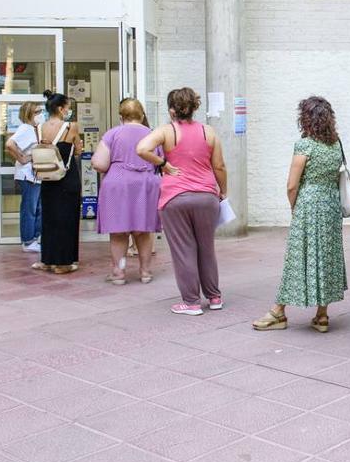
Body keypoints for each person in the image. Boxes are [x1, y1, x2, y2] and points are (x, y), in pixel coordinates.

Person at [251, 97, 347, 332]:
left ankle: (278, 312)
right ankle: (322, 315)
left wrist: (295, 208)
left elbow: (292, 185)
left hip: (309, 205)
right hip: (331, 206)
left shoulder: (304, 145)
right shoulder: (336, 144)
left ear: (305, 119)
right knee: (326, 256)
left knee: (297, 257)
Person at [136, 88, 228, 315]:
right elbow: (219, 166)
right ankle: (214, 297)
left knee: (184, 250)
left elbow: (141, 148)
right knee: (207, 248)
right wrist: (222, 191)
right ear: (194, 108)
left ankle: (191, 302)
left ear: (171, 110)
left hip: (175, 198)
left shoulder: (166, 131)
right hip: (207, 197)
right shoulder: (209, 132)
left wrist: (162, 163)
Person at [93, 98, 160, 285]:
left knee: (118, 232)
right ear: (142, 115)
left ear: (121, 116)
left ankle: (119, 272)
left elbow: (99, 163)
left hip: (118, 185)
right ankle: (145, 272)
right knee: (143, 231)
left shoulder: (113, 134)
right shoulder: (152, 134)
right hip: (146, 184)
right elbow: (161, 161)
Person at [34, 91, 81, 275]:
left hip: (47, 177)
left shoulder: (39, 128)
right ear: (61, 109)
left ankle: (47, 260)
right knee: (67, 219)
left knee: (50, 219)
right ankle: (63, 263)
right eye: (67, 107)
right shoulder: (71, 127)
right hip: (67, 178)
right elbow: (77, 150)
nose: (68, 111)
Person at [5, 101, 42, 253]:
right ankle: (28, 241)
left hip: (35, 175)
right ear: (29, 114)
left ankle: (36, 237)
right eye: (37, 112)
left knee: (38, 207)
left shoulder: (34, 129)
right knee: (30, 208)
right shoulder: (26, 129)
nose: (41, 114)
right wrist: (22, 159)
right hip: (28, 175)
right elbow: (9, 144)